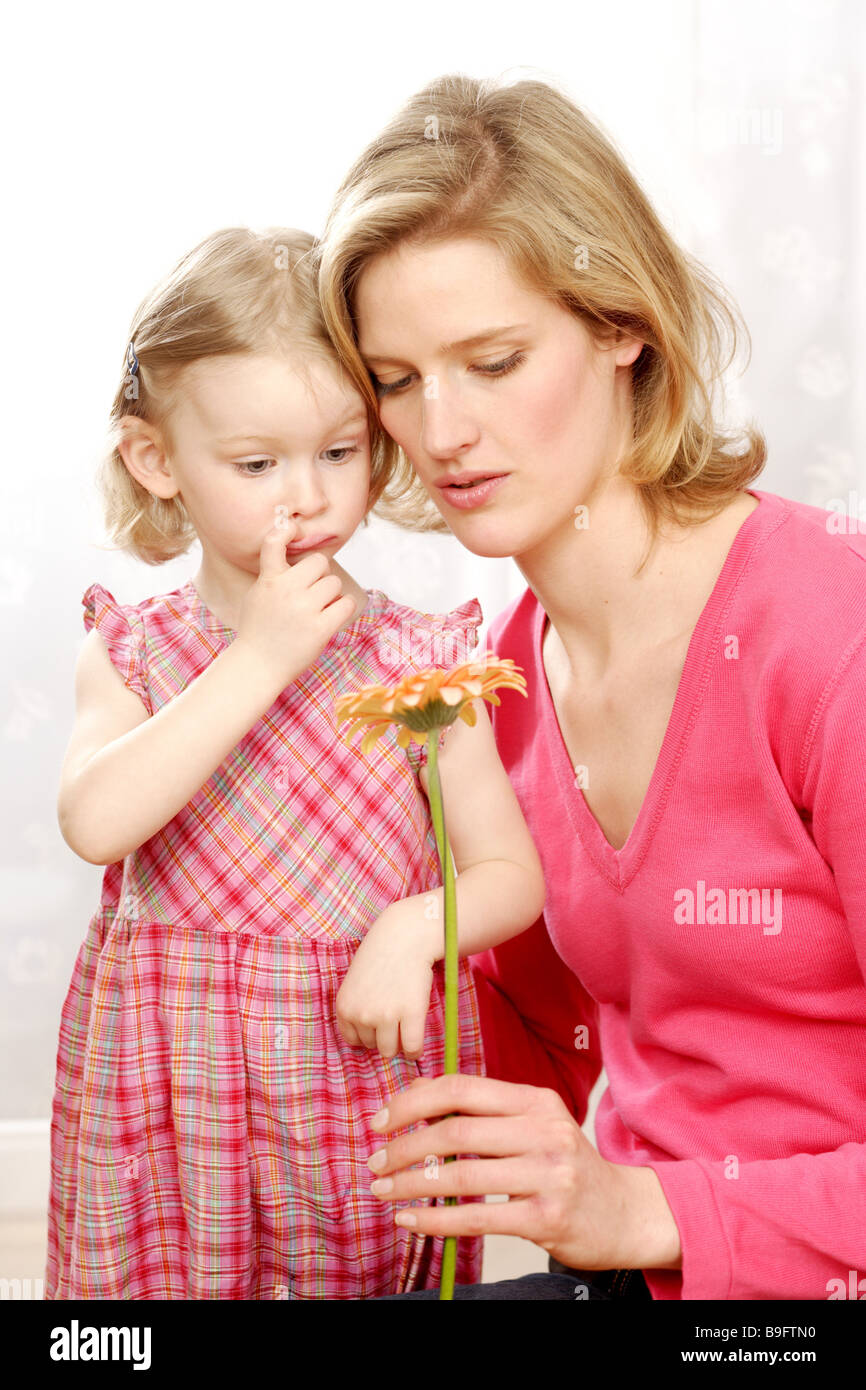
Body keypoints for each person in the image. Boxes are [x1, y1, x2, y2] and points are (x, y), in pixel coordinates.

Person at [315, 72, 866, 1300]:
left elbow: (614, 1199)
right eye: (396, 379)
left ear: (623, 325)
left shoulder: (833, 635)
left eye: (493, 359)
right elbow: (528, 1063)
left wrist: (635, 1205)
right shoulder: (494, 686)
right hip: (635, 1276)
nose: (441, 428)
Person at [47, 226, 546, 1300]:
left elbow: (509, 872)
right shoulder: (134, 649)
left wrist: (410, 930)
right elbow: (96, 819)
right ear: (156, 460)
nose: (307, 497)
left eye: (338, 450)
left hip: (352, 1073)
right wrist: (265, 654)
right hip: (172, 1080)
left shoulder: (422, 666)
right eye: (257, 464)